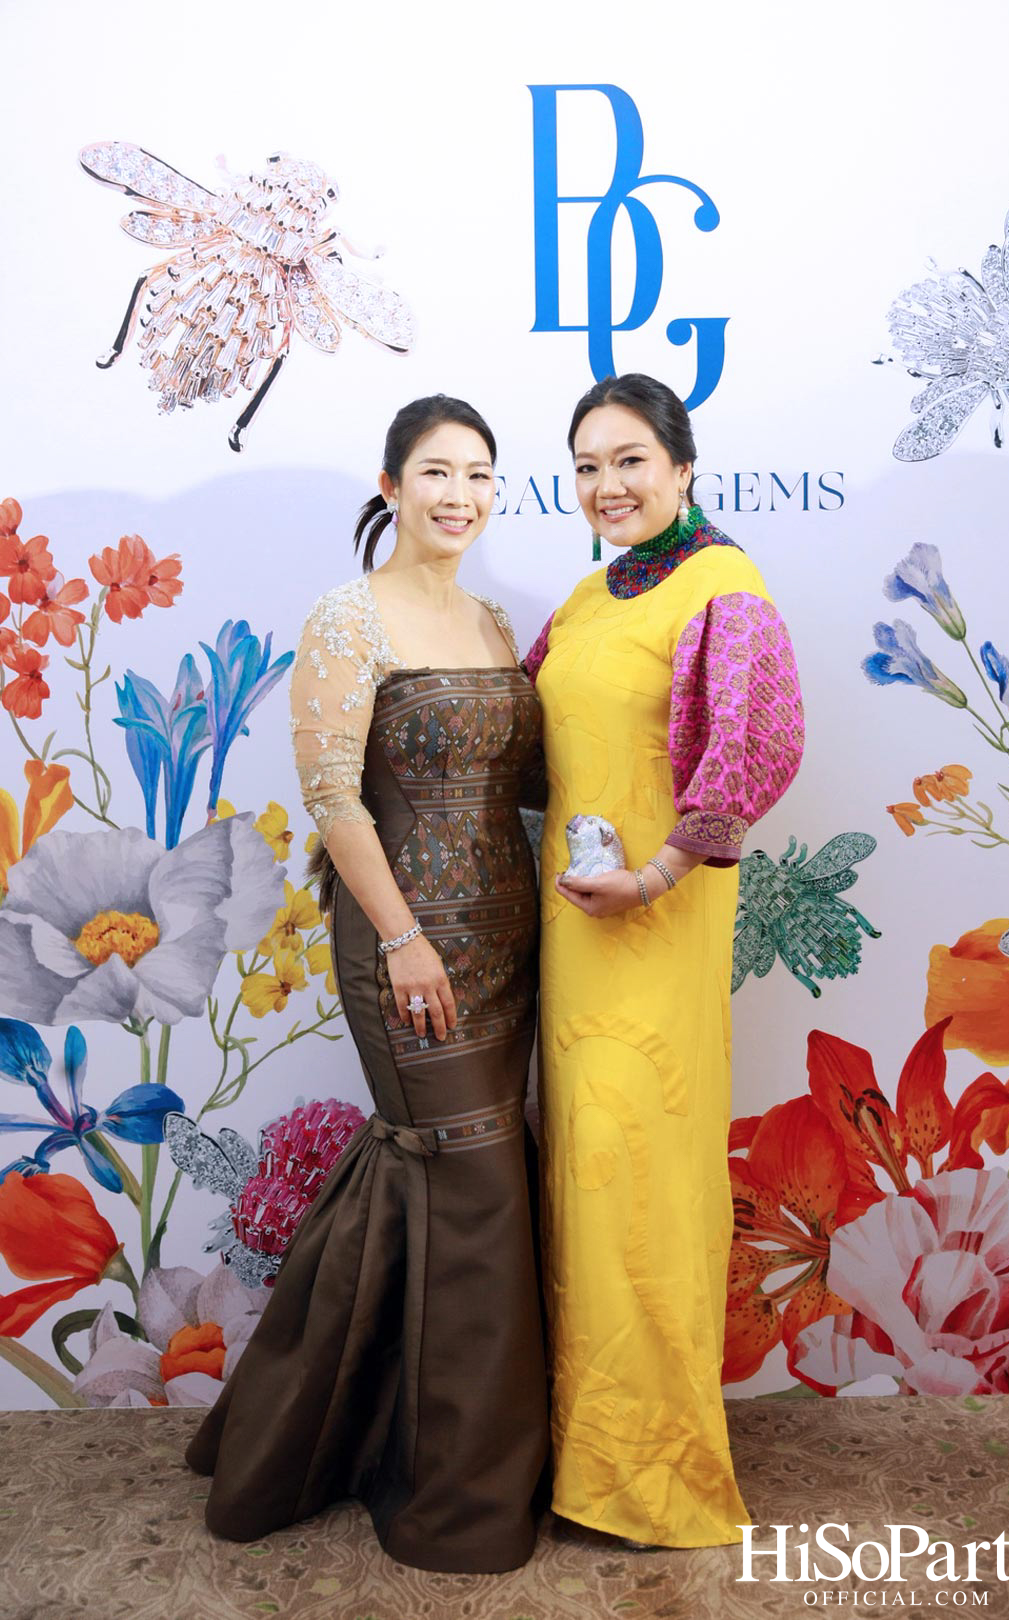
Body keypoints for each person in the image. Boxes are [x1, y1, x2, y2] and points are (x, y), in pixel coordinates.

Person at [186, 395, 550, 1574]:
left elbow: (529, 784)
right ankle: (460, 1503)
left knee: (441, 1181)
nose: (460, 494)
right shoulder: (346, 617)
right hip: (407, 943)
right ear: (391, 486)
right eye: (437, 472)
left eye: (481, 475)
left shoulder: (494, 621)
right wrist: (403, 940)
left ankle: (311, 1431)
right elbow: (335, 800)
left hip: (508, 939)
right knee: (477, 1188)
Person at [524, 373, 804, 1549]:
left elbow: (760, 743)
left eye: (630, 460)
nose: (608, 485)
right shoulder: (589, 596)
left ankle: (660, 1476)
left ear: (684, 467)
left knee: (636, 1176)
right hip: (568, 933)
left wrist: (654, 875)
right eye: (588, 466)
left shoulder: (721, 582)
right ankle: (581, 1463)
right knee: (580, 1185)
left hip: (654, 923)